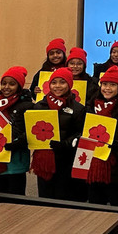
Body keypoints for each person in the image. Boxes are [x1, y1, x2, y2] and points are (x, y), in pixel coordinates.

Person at [30, 67, 86, 201]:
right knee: (45, 198)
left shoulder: (78, 108)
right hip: (44, 161)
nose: (58, 86)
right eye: (54, 82)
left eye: (62, 82)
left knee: (63, 198)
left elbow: (80, 133)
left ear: (69, 84)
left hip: (66, 160)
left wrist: (64, 144)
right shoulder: (39, 106)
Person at [86, 66, 118, 207]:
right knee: (95, 204)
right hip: (93, 164)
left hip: (117, 164)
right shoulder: (91, 106)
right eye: (105, 84)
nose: (107, 88)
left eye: (112, 85)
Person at [0, 66, 34, 195]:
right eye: (4, 83)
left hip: (17, 158)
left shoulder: (28, 106)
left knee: (16, 197)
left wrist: (16, 143)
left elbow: (31, 132)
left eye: (12, 84)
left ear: (19, 86)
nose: (6, 87)